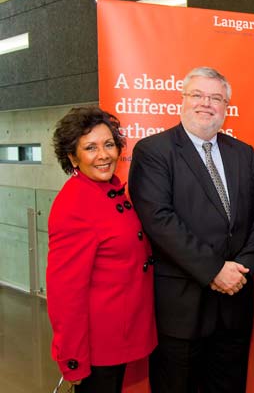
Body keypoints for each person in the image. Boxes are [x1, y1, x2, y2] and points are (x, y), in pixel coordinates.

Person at [128, 66, 254, 393]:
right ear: (183, 100)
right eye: (198, 95)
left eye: (216, 98)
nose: (206, 103)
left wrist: (241, 269)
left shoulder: (243, 153)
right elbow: (159, 220)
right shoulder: (154, 152)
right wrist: (215, 270)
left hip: (234, 304)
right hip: (182, 308)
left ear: (226, 107)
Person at [46, 106, 156, 392]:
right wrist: (73, 359)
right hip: (96, 347)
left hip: (119, 336)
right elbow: (65, 293)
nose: (104, 155)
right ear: (73, 157)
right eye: (90, 148)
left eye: (109, 144)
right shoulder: (74, 204)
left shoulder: (109, 191)